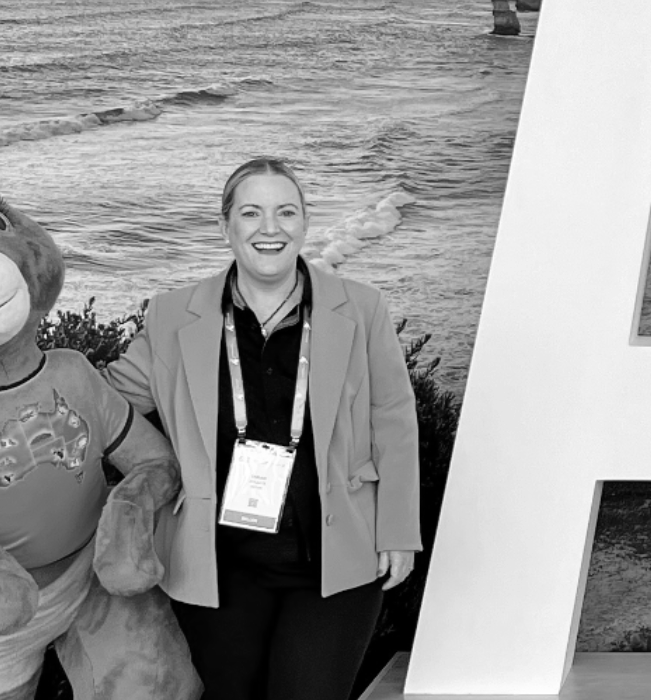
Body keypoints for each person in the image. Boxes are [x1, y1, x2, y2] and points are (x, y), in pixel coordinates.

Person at [103, 157, 421, 700]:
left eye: (285, 212)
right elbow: (108, 403)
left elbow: (392, 419)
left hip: (335, 554)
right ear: (225, 226)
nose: (269, 228)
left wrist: (397, 530)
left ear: (304, 223)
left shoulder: (361, 309)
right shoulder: (173, 315)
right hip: (220, 563)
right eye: (251, 213)